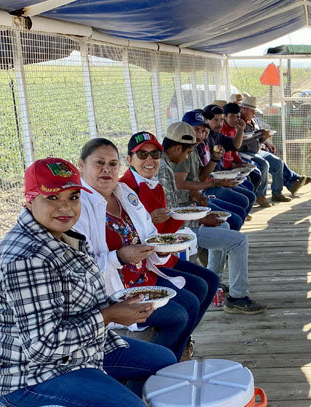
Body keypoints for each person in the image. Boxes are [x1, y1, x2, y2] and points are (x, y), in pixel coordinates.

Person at [0, 158, 176, 407]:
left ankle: (108, 400)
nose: (65, 207)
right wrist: (108, 316)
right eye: (52, 198)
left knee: (163, 362)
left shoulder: (62, 237)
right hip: (29, 375)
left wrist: (120, 304)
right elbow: (43, 346)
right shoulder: (26, 259)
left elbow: (76, 299)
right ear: (30, 199)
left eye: (73, 197)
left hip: (81, 350)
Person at [74, 138, 206, 361]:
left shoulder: (123, 192)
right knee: (177, 315)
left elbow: (149, 234)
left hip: (141, 278)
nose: (107, 169)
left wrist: (162, 251)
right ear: (81, 165)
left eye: (113, 164)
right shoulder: (78, 206)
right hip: (112, 293)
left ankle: (171, 360)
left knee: (194, 297)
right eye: (99, 162)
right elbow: (80, 268)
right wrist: (120, 257)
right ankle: (158, 366)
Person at [159, 122, 267, 315]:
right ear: (177, 147)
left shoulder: (166, 163)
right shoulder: (163, 169)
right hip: (175, 232)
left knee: (224, 225)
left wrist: (197, 199)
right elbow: (169, 214)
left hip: (183, 220)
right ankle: (238, 297)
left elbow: (177, 200)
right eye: (186, 152)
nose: (186, 157)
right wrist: (200, 219)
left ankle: (213, 281)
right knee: (240, 241)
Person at [119, 130, 220, 324]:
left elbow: (164, 232)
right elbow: (127, 236)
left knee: (211, 281)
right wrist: (152, 220)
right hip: (144, 267)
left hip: (161, 257)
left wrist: (181, 215)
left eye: (155, 154)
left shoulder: (154, 184)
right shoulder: (124, 189)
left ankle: (185, 339)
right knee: (195, 293)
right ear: (129, 159)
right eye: (142, 154)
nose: (150, 159)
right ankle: (178, 347)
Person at [173, 110, 246, 230]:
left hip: (198, 196)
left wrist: (215, 159)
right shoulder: (181, 150)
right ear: (184, 129)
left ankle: (222, 242)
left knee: (239, 211)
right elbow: (180, 184)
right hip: (186, 207)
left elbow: (200, 177)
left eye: (202, 130)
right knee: (233, 221)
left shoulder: (194, 147)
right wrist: (214, 183)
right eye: (196, 130)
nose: (200, 135)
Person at [237, 95, 308, 203]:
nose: (254, 114)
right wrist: (259, 135)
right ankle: (260, 195)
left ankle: (277, 193)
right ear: (244, 109)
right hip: (245, 153)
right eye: (252, 111)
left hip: (257, 150)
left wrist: (263, 138)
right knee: (264, 164)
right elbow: (242, 143)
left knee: (278, 162)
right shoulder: (239, 122)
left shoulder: (253, 120)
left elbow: (256, 138)